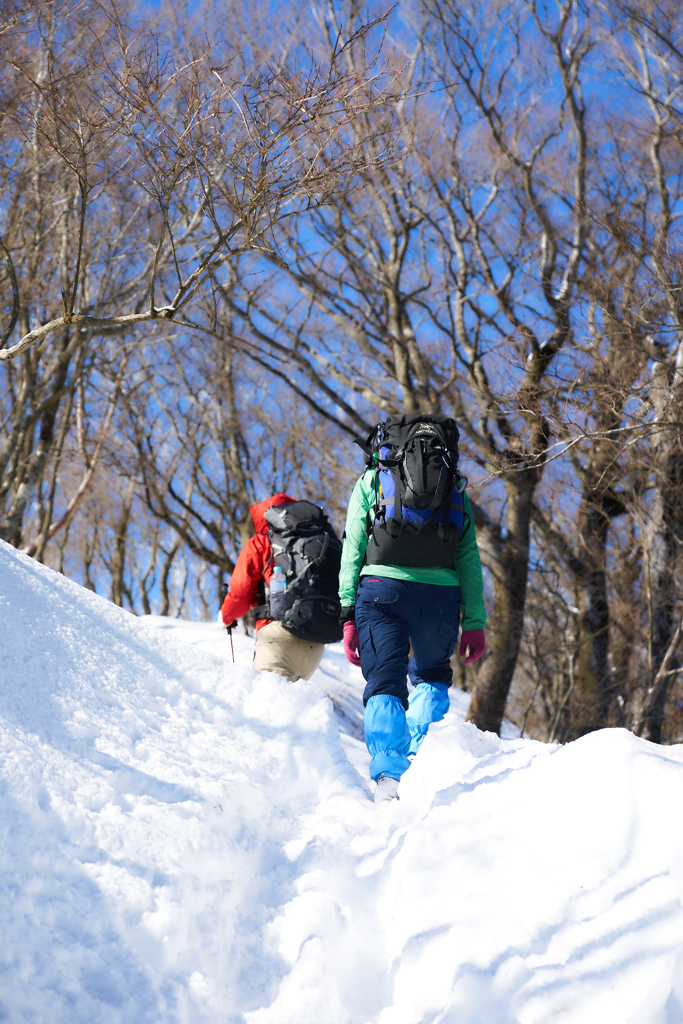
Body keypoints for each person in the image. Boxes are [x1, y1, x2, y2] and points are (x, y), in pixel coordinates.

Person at [338, 414, 487, 802]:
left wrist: (347, 612)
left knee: (385, 679)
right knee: (432, 675)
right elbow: (468, 557)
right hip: (440, 596)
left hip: (380, 590)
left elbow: (352, 546)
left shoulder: (372, 481)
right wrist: (474, 621)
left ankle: (389, 776)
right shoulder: (453, 487)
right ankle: (421, 756)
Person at [221, 493, 326, 681]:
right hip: (316, 643)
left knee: (267, 708)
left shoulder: (261, 542)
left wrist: (227, 616)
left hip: (278, 639)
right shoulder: (317, 541)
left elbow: (240, 591)